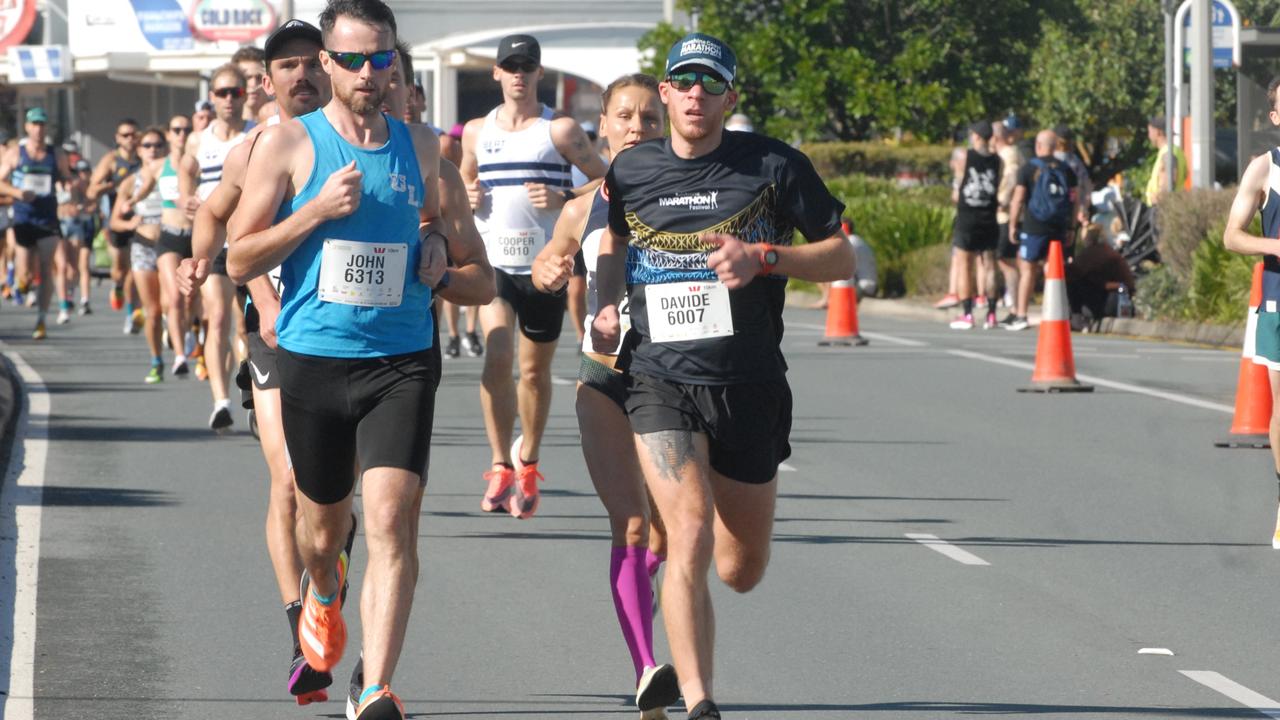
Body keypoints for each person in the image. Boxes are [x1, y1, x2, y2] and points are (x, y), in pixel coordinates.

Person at [227, 3, 493, 718]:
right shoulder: (289, 145)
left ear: (395, 60)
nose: (367, 72)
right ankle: (321, 589)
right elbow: (238, 255)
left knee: (393, 516)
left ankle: (375, 684)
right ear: (326, 64)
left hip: (401, 360)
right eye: (350, 60)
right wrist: (313, 213)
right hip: (314, 360)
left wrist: (440, 265)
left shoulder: (425, 148)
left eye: (380, 58)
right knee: (322, 535)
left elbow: (481, 277)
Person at [592, 33, 854, 719]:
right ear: (667, 92)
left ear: (731, 96)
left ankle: (704, 653)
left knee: (740, 568)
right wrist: (602, 307)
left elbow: (842, 258)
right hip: (658, 379)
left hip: (748, 382)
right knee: (688, 532)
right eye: (684, 81)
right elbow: (614, 243)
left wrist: (765, 258)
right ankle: (700, 700)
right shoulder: (632, 171)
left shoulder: (772, 165)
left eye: (711, 83)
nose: (696, 94)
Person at [532, 72, 676, 720]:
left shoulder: (693, 200)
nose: (638, 127)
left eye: (649, 117)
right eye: (625, 116)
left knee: (675, 536)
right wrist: (546, 269)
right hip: (604, 379)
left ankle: (643, 604)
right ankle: (647, 671)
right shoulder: (582, 207)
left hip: (676, 382)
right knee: (635, 523)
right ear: (605, 125)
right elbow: (548, 262)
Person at [460, 33, 607, 518]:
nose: (519, 74)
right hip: (494, 265)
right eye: (510, 66)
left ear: (539, 73)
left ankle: (529, 459)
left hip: (547, 267)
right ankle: (500, 463)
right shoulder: (478, 131)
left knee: (533, 372)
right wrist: (469, 195)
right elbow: (463, 181)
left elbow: (608, 180)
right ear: (497, 74)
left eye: (527, 66)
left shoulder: (560, 130)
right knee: (498, 355)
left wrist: (565, 198)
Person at [1222, 76, 1280, 547]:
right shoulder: (1264, 169)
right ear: (1276, 117)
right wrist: (1276, 245)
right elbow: (1232, 236)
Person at [182, 63, 250, 430]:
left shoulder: (258, 134)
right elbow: (184, 168)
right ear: (212, 97)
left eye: (235, 92)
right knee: (218, 317)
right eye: (222, 93)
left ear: (245, 95)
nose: (229, 99)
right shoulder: (199, 138)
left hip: (251, 238)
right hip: (214, 241)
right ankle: (221, 402)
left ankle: (252, 382)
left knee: (245, 324)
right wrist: (184, 197)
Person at [0, 108, 73, 339]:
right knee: (25, 274)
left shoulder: (56, 154)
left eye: (42, 124)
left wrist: (68, 186)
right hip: (23, 218)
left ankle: (41, 319)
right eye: (35, 124)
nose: (39, 129)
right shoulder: (15, 153)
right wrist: (18, 192)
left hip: (48, 218)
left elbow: (66, 177)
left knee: (46, 267)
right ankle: (21, 281)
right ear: (28, 127)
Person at [1004, 129, 1079, 331]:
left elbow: (1018, 198)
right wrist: (1072, 226)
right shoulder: (1066, 170)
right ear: (1055, 147)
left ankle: (1021, 314)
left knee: (1027, 269)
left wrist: (1013, 224)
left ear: (1038, 145)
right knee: (1052, 268)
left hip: (1034, 225)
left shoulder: (1028, 169)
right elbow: (1075, 199)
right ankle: (1054, 313)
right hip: (1059, 225)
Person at [112, 126, 169, 382]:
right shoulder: (130, 181)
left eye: (158, 145)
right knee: (153, 311)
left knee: (172, 303)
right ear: (139, 150)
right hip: (143, 247)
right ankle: (157, 360)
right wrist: (129, 224)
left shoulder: (173, 175)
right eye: (147, 145)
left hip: (171, 245)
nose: (153, 150)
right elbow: (114, 221)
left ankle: (184, 336)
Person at [154, 114, 197, 377]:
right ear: (168, 134)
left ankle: (188, 328)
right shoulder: (157, 166)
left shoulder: (197, 162)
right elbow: (135, 187)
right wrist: (129, 203)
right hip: (168, 234)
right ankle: (180, 355)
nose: (181, 133)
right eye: (176, 129)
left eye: (186, 129)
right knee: (174, 297)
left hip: (194, 236)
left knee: (190, 296)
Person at [87, 117, 142, 323]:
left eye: (134, 134)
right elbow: (92, 191)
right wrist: (114, 184)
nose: (130, 139)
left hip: (139, 221)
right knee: (120, 269)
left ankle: (132, 312)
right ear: (118, 138)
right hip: (116, 221)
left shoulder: (143, 158)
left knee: (135, 268)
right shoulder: (111, 160)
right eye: (125, 135)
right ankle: (117, 286)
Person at [949, 120, 1002, 330]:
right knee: (989, 265)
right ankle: (991, 314)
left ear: (977, 137)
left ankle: (968, 314)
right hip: (989, 216)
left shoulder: (965, 157)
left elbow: (956, 191)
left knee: (965, 264)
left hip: (967, 217)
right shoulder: (998, 160)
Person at [1065, 222, 1135, 329]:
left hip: (1111, 300)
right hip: (1121, 298)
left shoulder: (1092, 253)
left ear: (1088, 238)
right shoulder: (1107, 250)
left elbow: (1072, 272)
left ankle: (1076, 316)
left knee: (1074, 282)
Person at [994, 118, 1026, 314]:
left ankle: (1014, 303)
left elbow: (1013, 177)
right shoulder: (1008, 153)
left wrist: (1003, 201)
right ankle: (1012, 299)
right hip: (1008, 215)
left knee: (1006, 261)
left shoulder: (1009, 155)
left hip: (1006, 216)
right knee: (1007, 260)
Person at [57, 158, 95, 318]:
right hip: (58, 223)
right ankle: (64, 304)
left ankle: (72, 292)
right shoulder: (54, 181)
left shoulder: (78, 183)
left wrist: (81, 208)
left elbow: (91, 199)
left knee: (74, 267)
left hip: (75, 224)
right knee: (62, 265)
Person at [1146, 115, 1187, 207]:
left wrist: (1157, 200)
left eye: (1150, 132)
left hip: (1163, 208)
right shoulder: (1176, 151)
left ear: (1158, 132)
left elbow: (1168, 181)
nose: (1149, 136)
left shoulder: (1167, 153)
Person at [233, 46, 270, 125]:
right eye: (246, 78)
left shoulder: (282, 121)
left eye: (259, 77)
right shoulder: (221, 126)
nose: (253, 84)